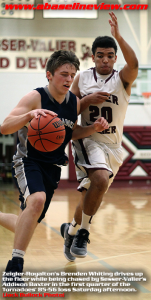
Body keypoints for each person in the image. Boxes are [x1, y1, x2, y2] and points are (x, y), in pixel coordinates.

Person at [0, 50, 109, 282]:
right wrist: (29, 115)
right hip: (28, 161)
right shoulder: (35, 97)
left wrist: (93, 129)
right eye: (63, 74)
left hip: (52, 166)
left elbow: (68, 132)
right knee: (37, 200)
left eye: (72, 75)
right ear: (49, 75)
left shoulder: (73, 103)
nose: (69, 79)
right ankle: (15, 265)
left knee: (28, 222)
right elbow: (5, 126)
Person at [60, 12, 138, 262]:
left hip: (114, 147)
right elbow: (68, 112)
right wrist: (85, 101)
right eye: (100, 55)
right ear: (92, 57)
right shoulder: (82, 78)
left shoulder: (122, 79)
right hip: (88, 139)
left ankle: (70, 230)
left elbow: (134, 64)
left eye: (110, 55)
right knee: (101, 180)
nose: (105, 59)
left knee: (91, 194)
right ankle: (83, 233)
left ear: (115, 58)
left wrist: (118, 36)